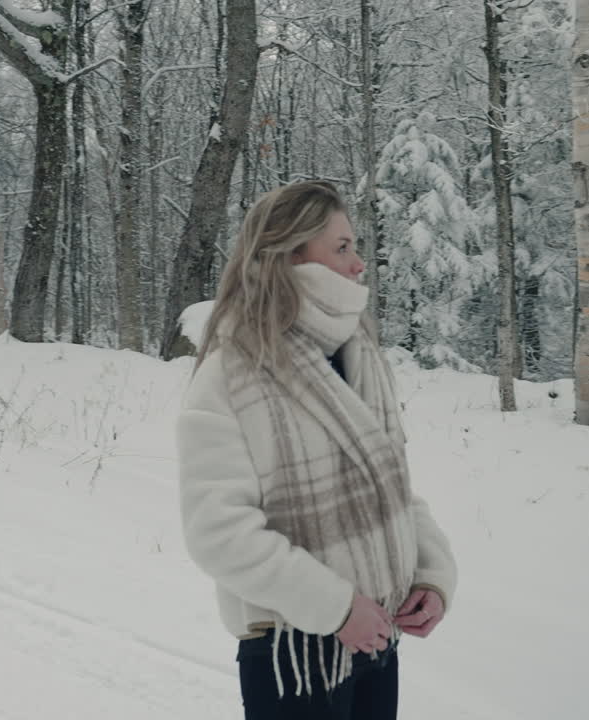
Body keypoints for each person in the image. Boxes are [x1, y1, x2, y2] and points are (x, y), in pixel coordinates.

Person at [176, 180, 457, 719]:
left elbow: (394, 491)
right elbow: (218, 533)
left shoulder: (360, 356)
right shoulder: (232, 372)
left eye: (356, 247)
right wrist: (334, 607)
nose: (359, 265)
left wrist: (431, 576)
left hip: (375, 636)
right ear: (291, 254)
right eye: (342, 248)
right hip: (289, 651)